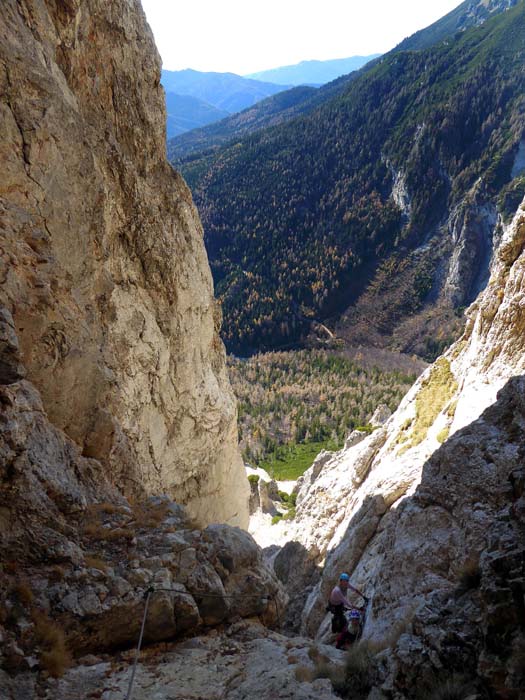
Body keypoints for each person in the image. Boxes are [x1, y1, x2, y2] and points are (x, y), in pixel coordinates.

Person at [328, 572, 368, 649]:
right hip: (334, 605)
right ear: (341, 581)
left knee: (342, 618)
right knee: (339, 618)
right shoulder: (337, 591)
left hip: (339, 603)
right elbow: (348, 603)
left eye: (347, 581)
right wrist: (360, 609)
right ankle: (335, 629)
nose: (346, 582)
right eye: (345, 581)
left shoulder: (346, 585)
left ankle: (343, 634)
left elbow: (355, 590)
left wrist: (363, 596)